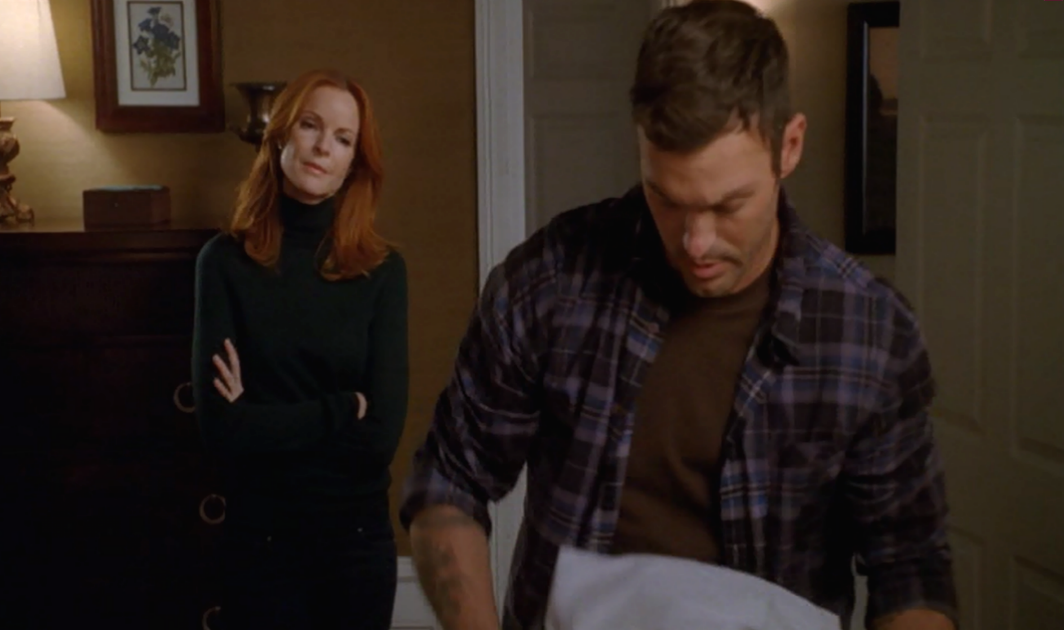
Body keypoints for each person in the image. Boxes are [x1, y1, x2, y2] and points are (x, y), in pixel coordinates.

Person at [399, 2, 957, 630]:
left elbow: (910, 567)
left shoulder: (872, 332)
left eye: (728, 206)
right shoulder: (551, 279)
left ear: (790, 146)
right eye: (665, 198)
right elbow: (449, 481)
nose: (695, 243)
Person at [192, 68, 408, 630]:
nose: (322, 147)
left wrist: (261, 419)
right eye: (311, 126)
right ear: (281, 134)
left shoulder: (383, 272)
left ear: (355, 162)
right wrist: (340, 408)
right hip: (260, 539)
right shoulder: (224, 263)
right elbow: (221, 430)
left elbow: (379, 439)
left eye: (343, 138)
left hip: (355, 542)